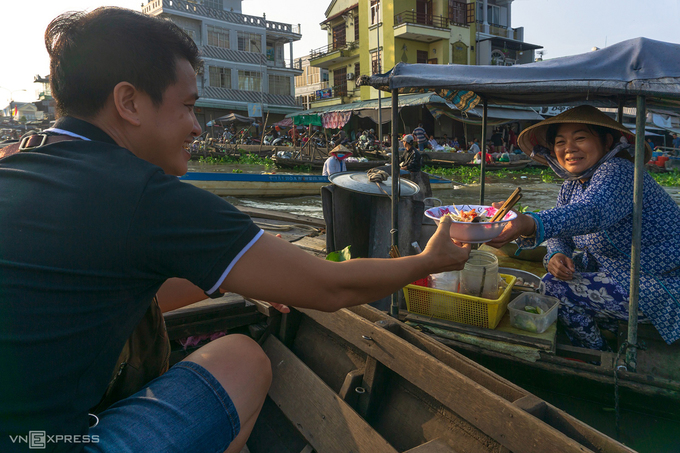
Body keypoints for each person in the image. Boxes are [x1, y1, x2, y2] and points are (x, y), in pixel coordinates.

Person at [0, 8, 472, 453]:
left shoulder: (17, 167)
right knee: (243, 360)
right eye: (187, 107)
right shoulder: (144, 195)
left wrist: (248, 277)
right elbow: (330, 286)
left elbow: (100, 295)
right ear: (129, 102)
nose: (195, 128)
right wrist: (428, 262)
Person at [487, 105, 680, 351]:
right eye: (560, 142)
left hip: (656, 281)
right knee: (551, 276)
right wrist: (557, 253)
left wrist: (530, 221)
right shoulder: (572, 186)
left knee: (554, 288)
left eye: (580, 138)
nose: (569, 148)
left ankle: (598, 356)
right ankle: (603, 333)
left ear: (607, 142)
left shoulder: (619, 171)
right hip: (614, 271)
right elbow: (562, 234)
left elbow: (593, 212)